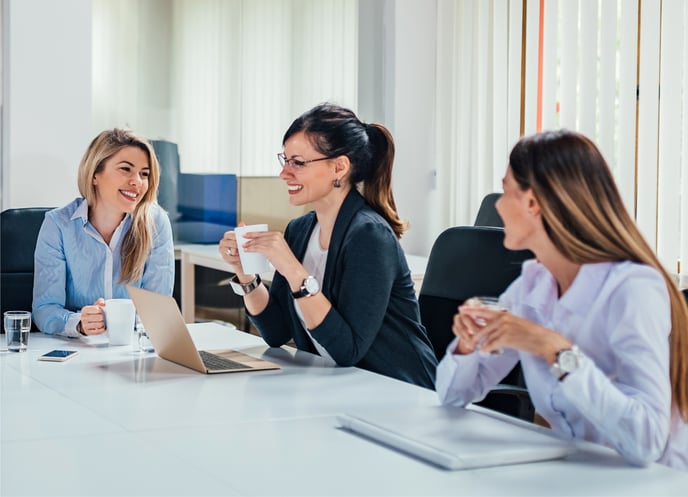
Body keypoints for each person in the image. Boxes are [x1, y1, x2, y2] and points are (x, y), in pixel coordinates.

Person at [436, 129, 688, 470]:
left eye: (506, 190)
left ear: (532, 203)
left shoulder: (632, 289)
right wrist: (466, 346)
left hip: (653, 480)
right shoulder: (533, 285)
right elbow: (453, 396)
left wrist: (555, 350)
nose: (496, 205)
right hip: (579, 473)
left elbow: (646, 441)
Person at [219, 103, 437, 389]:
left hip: (398, 390)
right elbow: (276, 332)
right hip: (340, 386)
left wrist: (292, 270)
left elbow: (347, 349)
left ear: (339, 167)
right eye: (284, 160)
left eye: (297, 162)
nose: (284, 173)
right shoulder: (300, 230)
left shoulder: (369, 236)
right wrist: (246, 274)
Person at [33, 128, 175, 337]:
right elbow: (44, 309)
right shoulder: (58, 225)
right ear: (94, 175)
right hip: (77, 350)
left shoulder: (156, 223)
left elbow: (158, 311)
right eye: (126, 169)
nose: (137, 181)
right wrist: (80, 322)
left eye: (144, 174)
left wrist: (118, 321)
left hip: (133, 350)